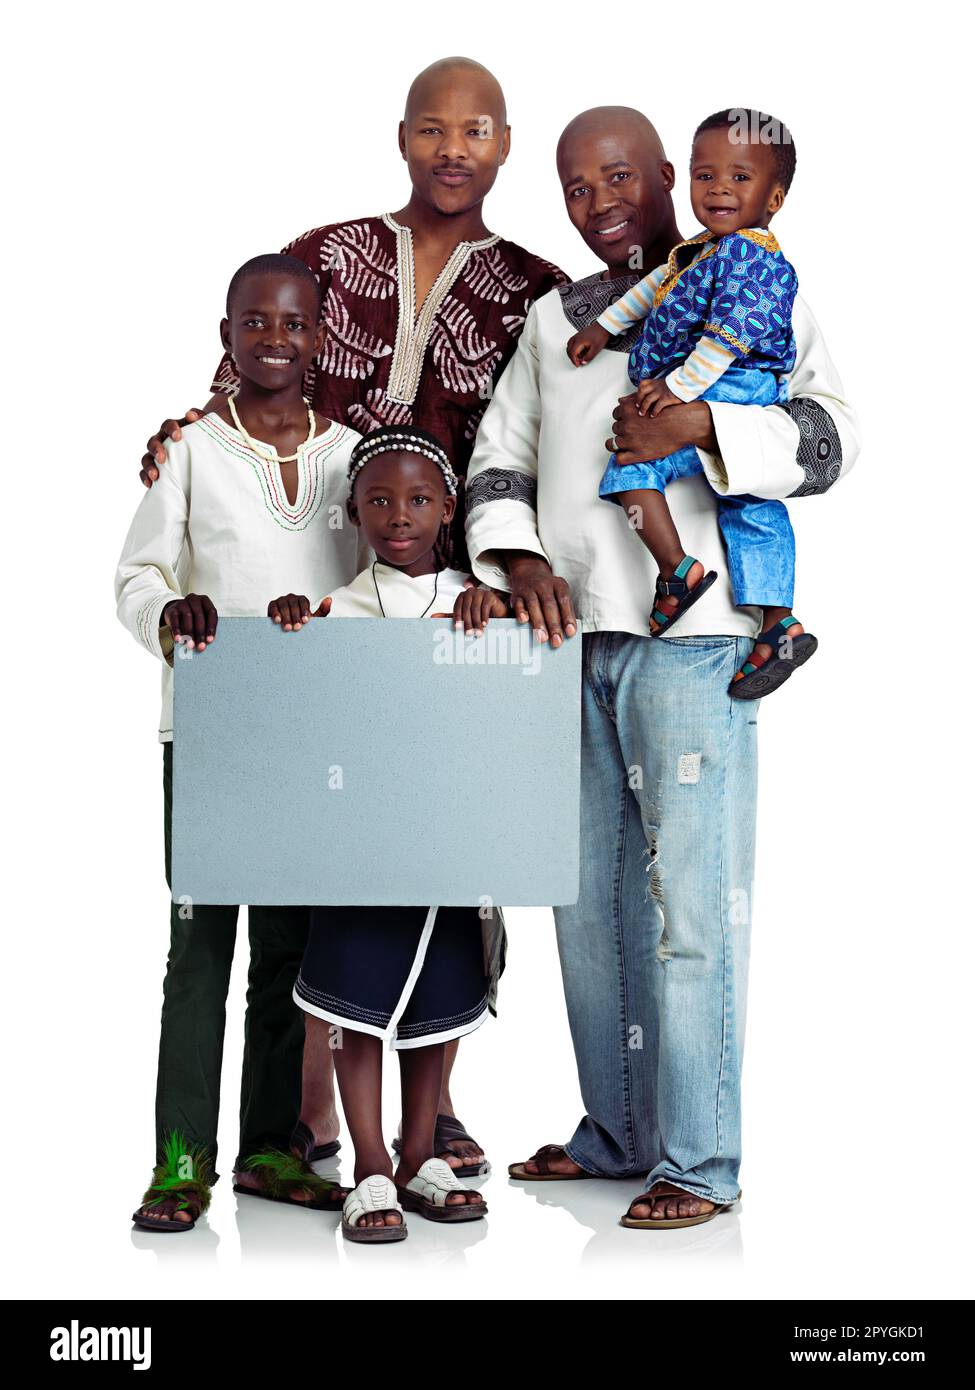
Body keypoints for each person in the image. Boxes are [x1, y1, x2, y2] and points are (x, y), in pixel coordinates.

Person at [135, 56, 567, 1176]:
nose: (452, 149)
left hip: (462, 591)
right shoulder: (331, 250)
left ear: (504, 144)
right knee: (330, 853)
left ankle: (436, 1091)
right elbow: (259, 369)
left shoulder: (532, 280)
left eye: (476, 130)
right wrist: (189, 431)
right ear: (403, 137)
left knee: (446, 840)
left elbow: (542, 434)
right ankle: (316, 1114)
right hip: (327, 586)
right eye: (433, 128)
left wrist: (514, 563)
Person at [460, 106, 859, 1229]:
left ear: (671, 180)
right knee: (585, 901)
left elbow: (833, 432)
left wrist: (706, 424)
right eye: (577, 187)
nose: (601, 202)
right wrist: (518, 552)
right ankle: (620, 1129)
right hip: (571, 638)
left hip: (698, 638)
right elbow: (505, 455)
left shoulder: (754, 276)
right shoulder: (551, 323)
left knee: (693, 905)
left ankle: (701, 1160)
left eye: (620, 176)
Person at [117, 254, 365, 1230]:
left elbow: (375, 586)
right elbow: (136, 575)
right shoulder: (189, 453)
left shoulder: (353, 456)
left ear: (319, 339)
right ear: (226, 336)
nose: (274, 338)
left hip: (321, 739)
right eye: (253, 322)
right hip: (216, 735)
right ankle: (180, 1161)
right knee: (199, 952)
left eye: (294, 324)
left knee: (289, 951)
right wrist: (170, 613)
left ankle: (271, 1149)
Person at [267, 426, 505, 1241]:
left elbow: (511, 708)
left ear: (446, 509)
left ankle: (419, 1156)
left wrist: (497, 615)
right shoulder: (338, 608)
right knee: (353, 1000)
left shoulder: (479, 600)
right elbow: (308, 714)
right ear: (354, 512)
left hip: (448, 842)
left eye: (416, 501)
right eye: (377, 500)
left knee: (438, 1004)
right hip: (361, 845)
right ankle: (368, 1164)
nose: (397, 516)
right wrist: (294, 632)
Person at [567, 108, 816, 699]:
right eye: (709, 176)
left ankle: (678, 573)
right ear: (688, 178)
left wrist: (684, 402)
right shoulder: (698, 253)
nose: (720, 189)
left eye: (740, 178)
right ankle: (778, 623)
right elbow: (650, 291)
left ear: (774, 198)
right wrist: (602, 329)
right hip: (590, 628)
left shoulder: (753, 260)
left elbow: (729, 335)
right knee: (749, 503)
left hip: (735, 384)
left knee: (633, 466)